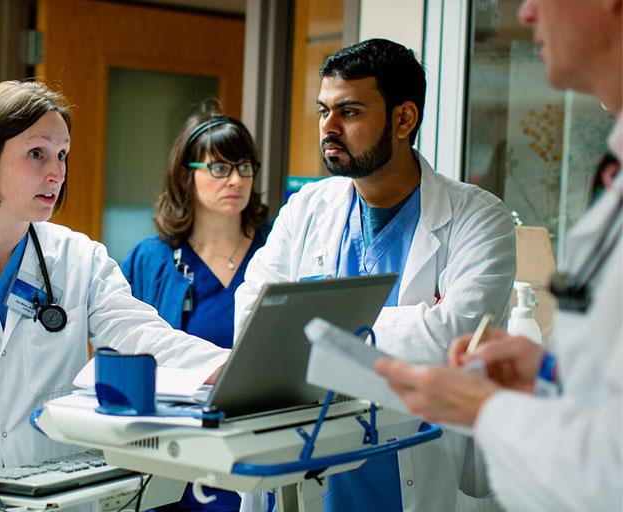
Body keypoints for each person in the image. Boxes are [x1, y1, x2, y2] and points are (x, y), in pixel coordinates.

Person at [0, 80, 231, 512]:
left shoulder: (79, 260)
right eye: (37, 153)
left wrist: (230, 368)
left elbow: (143, 336)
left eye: (62, 155)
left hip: (51, 499)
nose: (57, 173)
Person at [235, 39, 516, 511]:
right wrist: (410, 321)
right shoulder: (306, 208)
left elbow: (453, 338)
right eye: (323, 110)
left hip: (406, 476)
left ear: (404, 119)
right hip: (300, 470)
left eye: (349, 112)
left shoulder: (479, 218)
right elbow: (253, 321)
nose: (329, 127)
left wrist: (305, 324)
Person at [375, 0, 622, 510]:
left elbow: (610, 474)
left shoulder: (478, 212)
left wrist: (485, 409)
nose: (526, 12)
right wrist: (551, 373)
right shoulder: (614, 171)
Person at [122, 109, 269, 512]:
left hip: (262, 448)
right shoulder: (150, 261)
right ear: (185, 176)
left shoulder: (276, 252)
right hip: (177, 458)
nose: (236, 180)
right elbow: (125, 363)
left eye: (244, 167)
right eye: (219, 168)